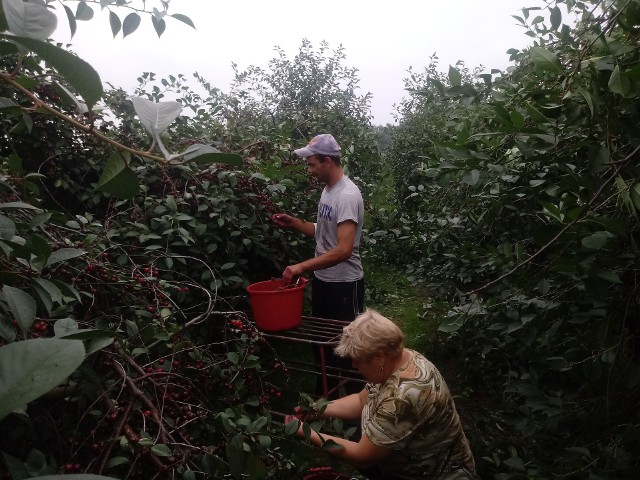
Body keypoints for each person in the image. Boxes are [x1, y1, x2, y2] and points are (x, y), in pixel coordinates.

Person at [284, 310, 477, 480]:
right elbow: (361, 400)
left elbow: (363, 457)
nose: (354, 366)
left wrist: (305, 432)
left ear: (378, 357)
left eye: (357, 360)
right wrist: (318, 409)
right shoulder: (401, 358)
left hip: (430, 473)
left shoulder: (402, 396)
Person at [271, 133, 364, 322]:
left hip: (344, 284)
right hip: (324, 279)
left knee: (347, 346)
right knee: (322, 340)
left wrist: (301, 266)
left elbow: (344, 250)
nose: (308, 170)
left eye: (312, 164)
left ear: (327, 161)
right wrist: (294, 223)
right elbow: (322, 231)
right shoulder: (328, 189)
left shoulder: (346, 195)